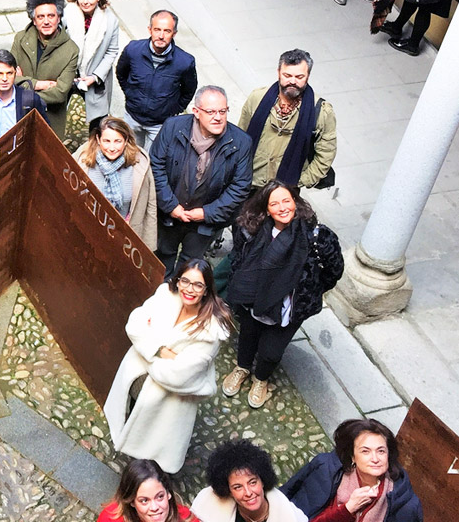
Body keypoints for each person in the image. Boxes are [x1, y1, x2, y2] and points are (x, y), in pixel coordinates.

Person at [103, 259, 235, 473]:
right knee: (131, 411)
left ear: (206, 290)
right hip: (136, 379)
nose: (189, 289)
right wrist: (160, 351)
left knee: (152, 442)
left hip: (167, 397)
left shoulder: (210, 332)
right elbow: (135, 324)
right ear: (178, 280)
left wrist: (146, 347)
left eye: (198, 285)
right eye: (185, 281)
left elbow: (179, 376)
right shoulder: (165, 295)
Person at [221, 181, 344, 408]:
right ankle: (242, 367)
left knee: (271, 351)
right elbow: (238, 259)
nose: (282, 207)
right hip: (253, 301)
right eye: (274, 203)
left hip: (289, 308)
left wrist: (310, 290)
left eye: (286, 201)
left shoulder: (317, 237)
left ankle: (261, 379)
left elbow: (334, 271)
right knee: (247, 336)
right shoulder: (252, 230)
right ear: (266, 209)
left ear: (295, 203)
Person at [151, 85, 252, 279]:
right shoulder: (173, 127)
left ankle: (180, 294)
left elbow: (240, 188)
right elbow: (156, 166)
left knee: (191, 264)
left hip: (206, 223)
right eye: (211, 111)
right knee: (163, 254)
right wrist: (171, 205)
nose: (218, 117)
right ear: (196, 112)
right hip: (170, 214)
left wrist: (206, 213)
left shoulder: (241, 143)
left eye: (223, 111)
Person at [282, 418, 423, 522]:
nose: (375, 458)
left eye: (381, 451)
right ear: (352, 457)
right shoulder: (324, 467)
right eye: (365, 451)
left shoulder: (406, 504)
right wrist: (348, 509)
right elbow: (284, 494)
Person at [239, 49, 336, 189]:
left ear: (308, 76)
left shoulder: (321, 112)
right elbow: (240, 136)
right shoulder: (258, 98)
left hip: (285, 191)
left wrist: (300, 182)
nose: (292, 81)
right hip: (248, 182)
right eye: (287, 75)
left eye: (299, 77)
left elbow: (326, 154)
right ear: (278, 72)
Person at [115, 10, 197, 154]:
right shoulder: (133, 50)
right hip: (132, 117)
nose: (161, 35)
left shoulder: (184, 62)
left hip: (160, 123)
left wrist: (174, 109)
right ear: (150, 30)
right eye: (157, 29)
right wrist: (131, 94)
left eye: (167, 31)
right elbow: (121, 73)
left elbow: (189, 90)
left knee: (151, 162)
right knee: (127, 155)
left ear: (174, 33)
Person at [73, 116, 157, 250]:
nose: (112, 148)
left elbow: (150, 204)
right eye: (106, 141)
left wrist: (148, 246)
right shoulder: (82, 159)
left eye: (117, 141)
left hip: (123, 237)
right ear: (98, 140)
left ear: (126, 141)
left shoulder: (139, 164)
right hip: (87, 232)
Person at [11, 0, 80, 140]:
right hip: (18, 115)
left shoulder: (71, 50)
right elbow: (10, 77)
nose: (46, 21)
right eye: (41, 17)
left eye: (51, 15)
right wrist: (40, 84)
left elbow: (61, 92)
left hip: (50, 119)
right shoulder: (20, 39)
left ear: (59, 17)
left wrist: (24, 89)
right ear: (34, 20)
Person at [192, 439, 307, 522]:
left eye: (252, 482)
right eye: (238, 487)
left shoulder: (292, 517)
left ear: (262, 481)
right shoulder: (209, 511)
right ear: (229, 491)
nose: (248, 493)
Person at [64, 0, 120, 130]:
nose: (85, 1)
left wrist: (95, 77)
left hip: (94, 74)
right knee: (54, 112)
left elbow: (111, 52)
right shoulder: (66, 14)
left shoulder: (110, 21)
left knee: (99, 122)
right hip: (68, 72)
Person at [97, 458, 200, 522]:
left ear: (168, 494)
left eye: (160, 497)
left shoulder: (186, 519)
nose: (154, 507)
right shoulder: (110, 518)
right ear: (132, 501)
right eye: (144, 500)